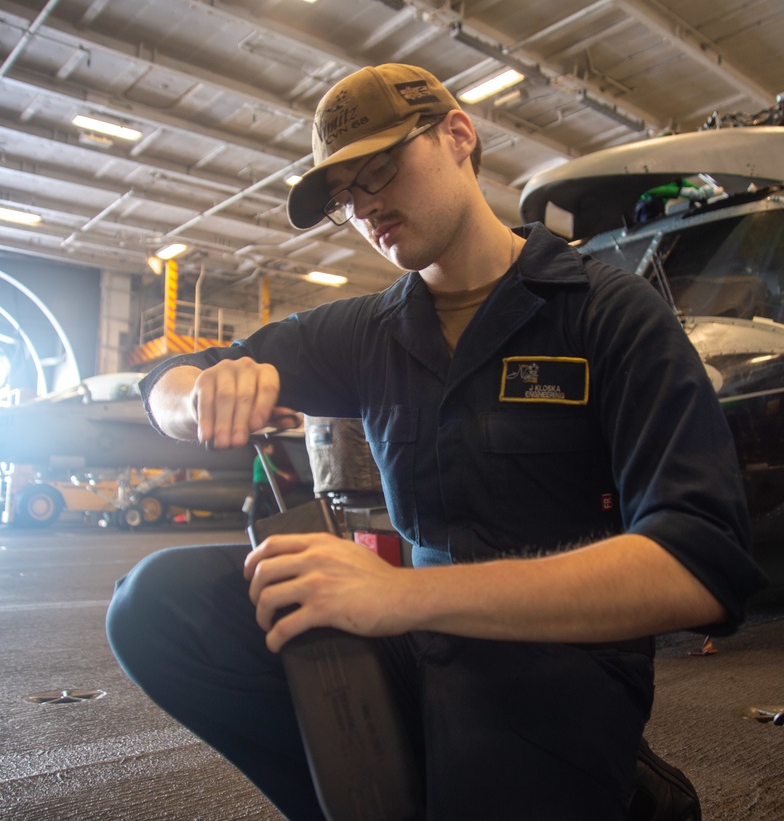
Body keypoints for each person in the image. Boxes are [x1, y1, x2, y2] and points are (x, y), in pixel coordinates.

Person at [106, 63, 768, 820]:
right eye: (346, 197)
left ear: (458, 135)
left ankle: (629, 795)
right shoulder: (367, 332)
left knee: (480, 758)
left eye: (379, 170)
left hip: (559, 665)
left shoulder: (605, 313)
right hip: (414, 640)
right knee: (156, 604)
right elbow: (162, 383)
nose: (367, 207)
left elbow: (696, 564)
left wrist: (398, 594)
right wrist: (195, 395)